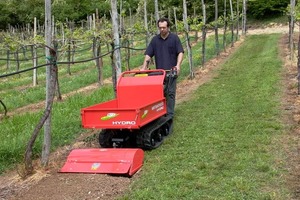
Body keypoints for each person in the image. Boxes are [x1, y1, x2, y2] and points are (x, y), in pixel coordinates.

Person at [140, 17, 184, 118]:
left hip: (171, 71)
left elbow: (180, 52)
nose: (162, 30)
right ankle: (160, 113)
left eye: (164, 28)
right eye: (160, 28)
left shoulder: (174, 38)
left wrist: (178, 65)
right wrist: (144, 67)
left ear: (168, 27)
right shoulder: (155, 40)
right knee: (159, 94)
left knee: (170, 93)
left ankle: (169, 115)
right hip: (159, 73)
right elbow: (148, 54)